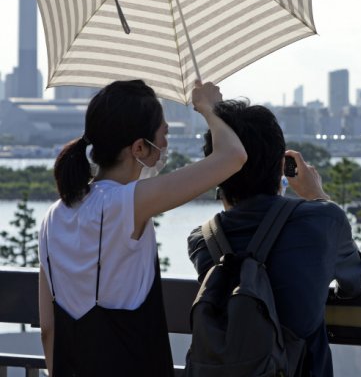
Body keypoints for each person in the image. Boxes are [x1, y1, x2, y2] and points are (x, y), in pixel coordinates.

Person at [38, 80, 247, 377]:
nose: (165, 146)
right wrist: (209, 110)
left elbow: (48, 329)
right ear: (138, 147)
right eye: (163, 135)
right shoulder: (127, 203)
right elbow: (234, 157)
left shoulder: (52, 217)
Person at [187, 100, 361, 377]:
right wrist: (317, 197)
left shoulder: (202, 240)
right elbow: (351, 284)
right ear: (281, 165)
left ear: (216, 167)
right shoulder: (324, 220)